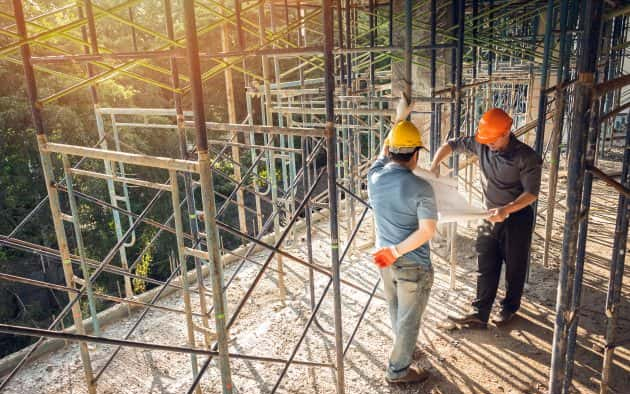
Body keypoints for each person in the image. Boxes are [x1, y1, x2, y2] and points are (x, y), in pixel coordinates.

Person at [429, 108, 542, 328]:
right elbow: (451, 145)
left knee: (514, 266)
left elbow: (531, 194)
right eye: (486, 140)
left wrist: (507, 209)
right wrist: (435, 165)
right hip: (488, 214)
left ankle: (509, 308)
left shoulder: (526, 157)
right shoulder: (481, 143)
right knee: (486, 261)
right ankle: (480, 312)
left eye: (493, 140)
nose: (488, 144)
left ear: (507, 131)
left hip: (517, 218)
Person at [368, 118, 438, 384]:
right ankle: (397, 371)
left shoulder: (374, 176)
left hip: (383, 257)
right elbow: (427, 231)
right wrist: (398, 251)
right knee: (409, 319)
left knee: (395, 307)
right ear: (416, 154)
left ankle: (405, 347)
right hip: (411, 262)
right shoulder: (421, 187)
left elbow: (381, 153)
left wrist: (400, 116)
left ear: (389, 150)